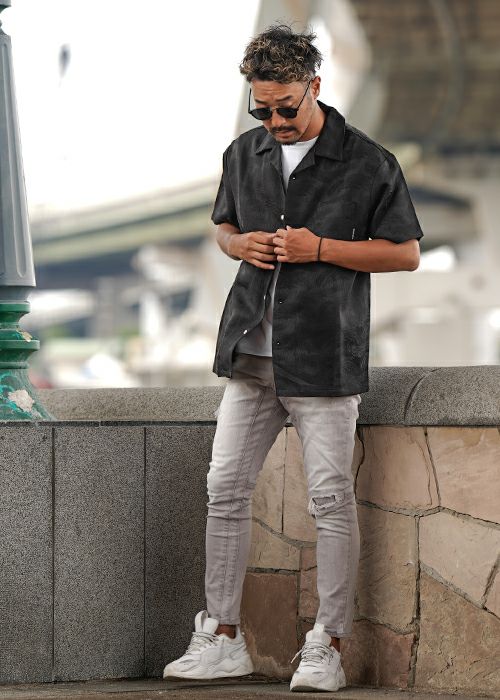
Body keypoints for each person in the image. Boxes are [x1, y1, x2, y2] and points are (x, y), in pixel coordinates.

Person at [163, 22, 423, 693]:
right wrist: (237, 245)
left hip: (324, 356)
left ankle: (327, 646)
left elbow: (404, 253)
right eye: (263, 110)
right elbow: (223, 226)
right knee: (224, 490)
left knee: (330, 499)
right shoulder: (242, 153)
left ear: (315, 86)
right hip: (251, 354)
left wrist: (320, 249)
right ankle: (222, 637)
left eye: (286, 108)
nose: (275, 122)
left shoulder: (368, 162)